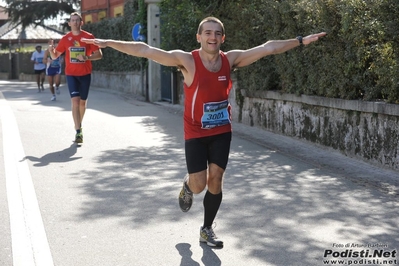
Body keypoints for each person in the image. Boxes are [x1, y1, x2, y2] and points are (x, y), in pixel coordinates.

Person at [82, 17, 326, 247]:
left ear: (223, 38)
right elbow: (145, 50)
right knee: (199, 185)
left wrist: (301, 40)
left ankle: (206, 228)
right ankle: (188, 186)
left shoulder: (230, 60)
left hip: (221, 130)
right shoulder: (187, 61)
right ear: (199, 37)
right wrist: (108, 43)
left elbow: (268, 48)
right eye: (207, 33)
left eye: (217, 33)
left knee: (216, 179)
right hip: (195, 133)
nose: (213, 37)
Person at [48, 12, 103, 143]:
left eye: (77, 20)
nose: (75, 22)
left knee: (83, 103)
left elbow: (99, 54)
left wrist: (87, 57)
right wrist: (51, 50)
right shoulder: (65, 39)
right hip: (71, 74)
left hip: (85, 74)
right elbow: (55, 56)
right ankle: (78, 131)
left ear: (81, 23)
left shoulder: (88, 37)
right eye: (72, 20)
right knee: (75, 102)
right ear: (69, 23)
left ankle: (78, 124)